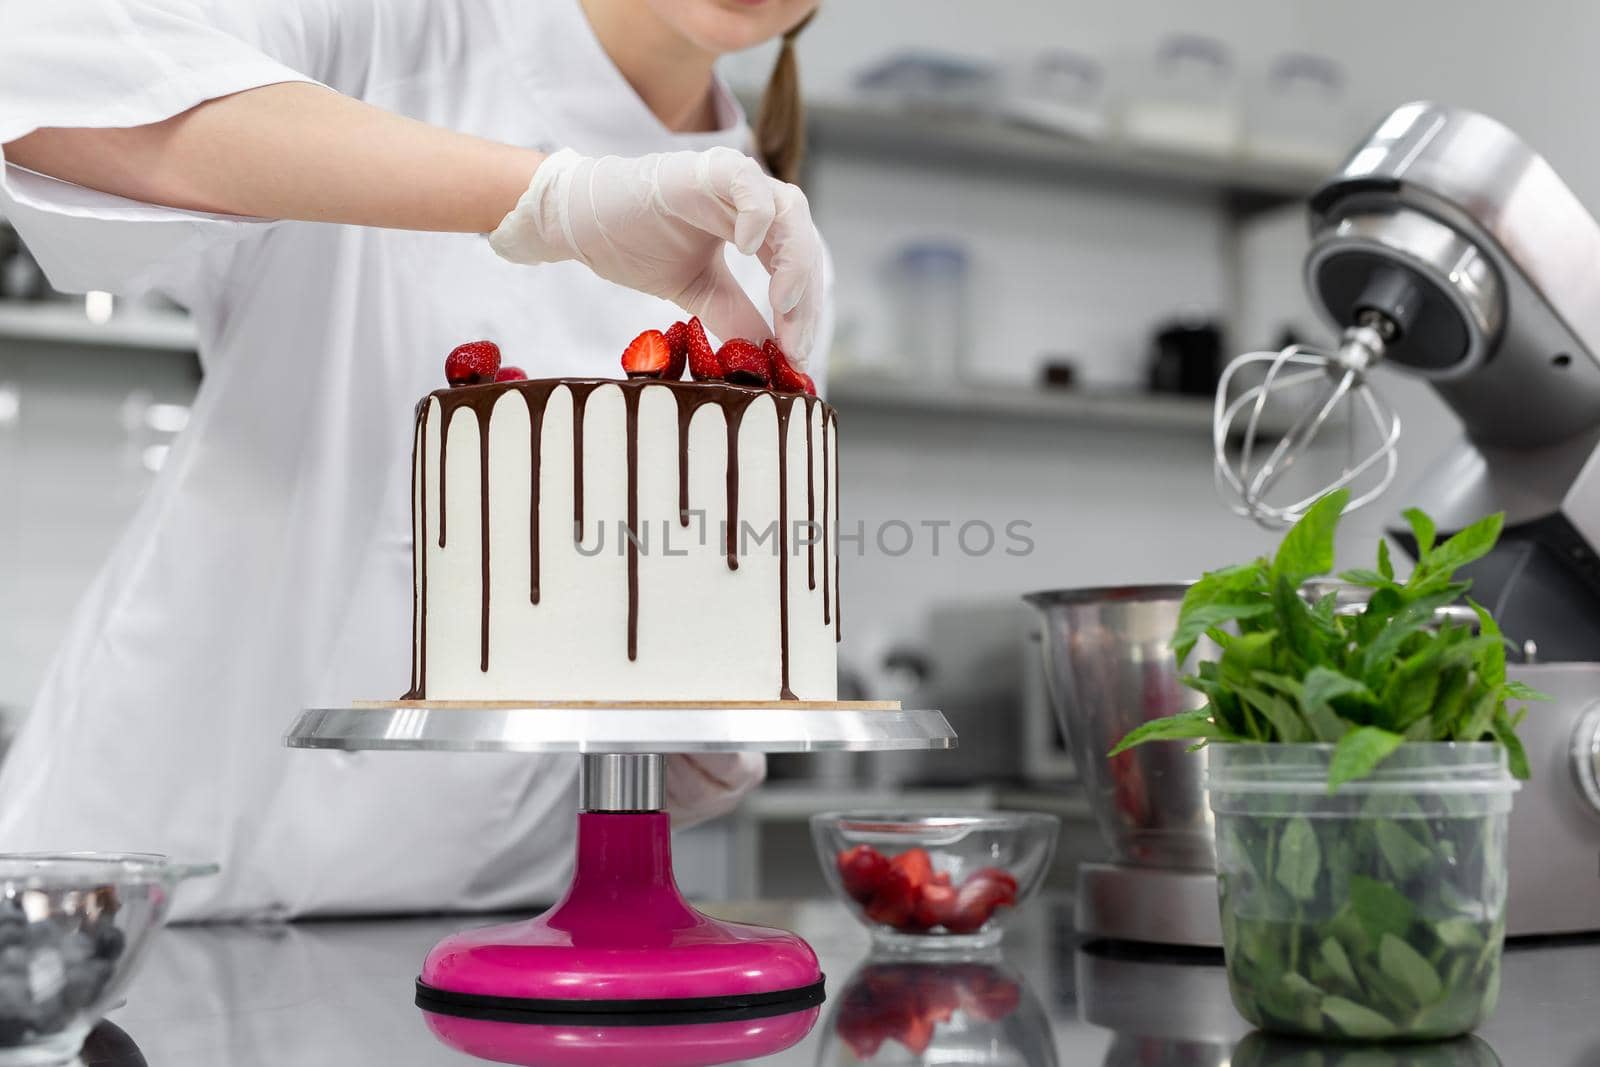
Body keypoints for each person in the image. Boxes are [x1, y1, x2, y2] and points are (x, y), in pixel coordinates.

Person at [0, 0, 828, 920]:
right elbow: (36, 67)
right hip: (152, 888)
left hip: (492, 932)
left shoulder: (765, 239)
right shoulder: (398, 29)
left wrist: (690, 715)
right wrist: (551, 196)